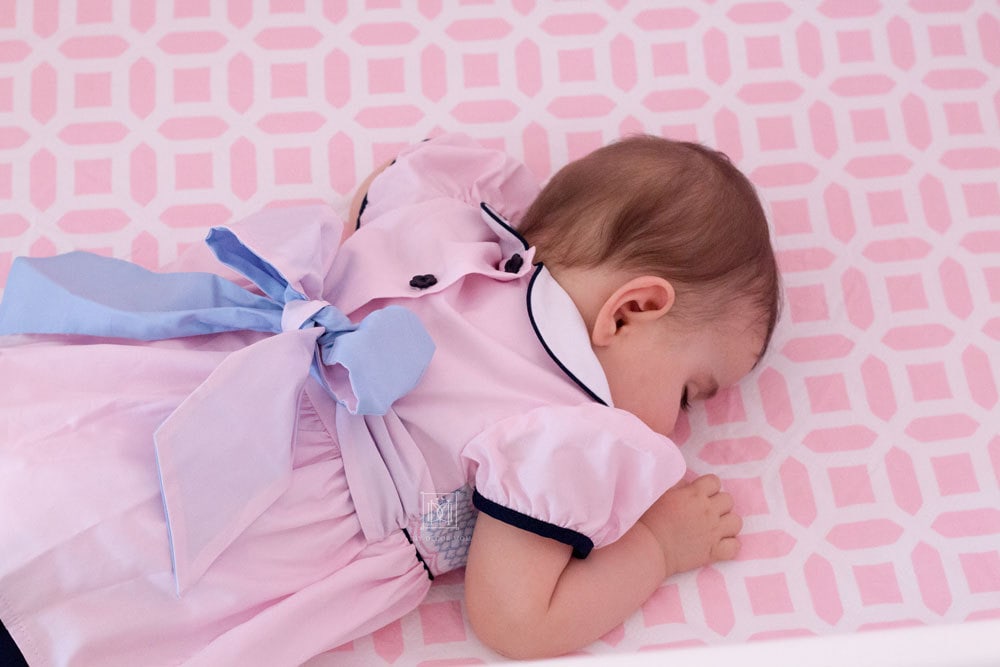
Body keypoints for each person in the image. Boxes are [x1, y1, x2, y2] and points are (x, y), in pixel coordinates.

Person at [0, 132, 780, 665]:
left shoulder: (458, 239)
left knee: (49, 473)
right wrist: (657, 549)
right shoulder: (567, 424)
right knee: (98, 592)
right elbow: (516, 617)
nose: (682, 424)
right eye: (691, 389)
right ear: (633, 309)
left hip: (202, 381)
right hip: (267, 520)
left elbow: (378, 190)